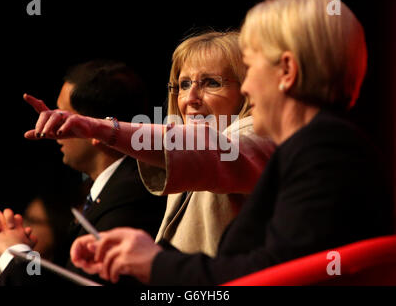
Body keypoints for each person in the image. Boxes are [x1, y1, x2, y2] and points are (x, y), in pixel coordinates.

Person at [68, 0, 394, 285]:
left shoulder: (325, 148)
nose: (248, 88)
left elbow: (272, 276)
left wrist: (155, 263)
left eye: (249, 69)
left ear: (287, 72)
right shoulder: (317, 147)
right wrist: (142, 256)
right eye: (183, 84)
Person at [17, 31, 275, 257]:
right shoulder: (188, 156)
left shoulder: (259, 135)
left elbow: (215, 148)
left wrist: (99, 126)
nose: (191, 98)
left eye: (212, 83)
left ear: (247, 92)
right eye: (184, 84)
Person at [0, 60, 166, 285]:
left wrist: (15, 253)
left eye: (62, 116)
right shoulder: (106, 192)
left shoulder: (132, 197)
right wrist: (22, 255)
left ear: (96, 127)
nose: (49, 125)